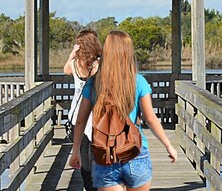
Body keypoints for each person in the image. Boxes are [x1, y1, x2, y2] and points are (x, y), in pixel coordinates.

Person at [69, 31, 178, 191]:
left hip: (105, 154)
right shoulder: (138, 81)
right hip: (135, 152)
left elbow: (80, 121)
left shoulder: (93, 84)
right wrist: (168, 145)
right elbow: (150, 119)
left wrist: (76, 151)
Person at [64, 29, 101, 182]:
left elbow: (65, 70)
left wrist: (73, 53)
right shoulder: (98, 64)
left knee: (83, 154)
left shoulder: (74, 64)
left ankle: (89, 185)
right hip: (96, 114)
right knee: (97, 154)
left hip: (77, 113)